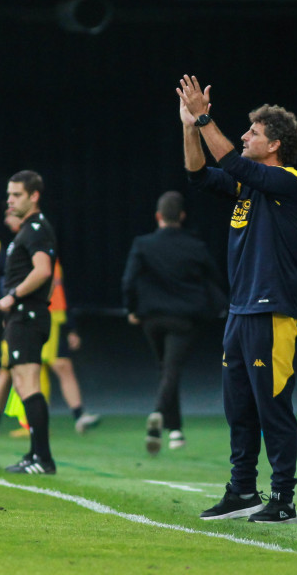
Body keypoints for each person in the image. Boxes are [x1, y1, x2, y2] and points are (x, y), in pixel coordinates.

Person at [178, 75, 297, 524]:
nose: (246, 135)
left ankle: (283, 499)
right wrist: (189, 125)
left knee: (273, 407)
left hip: (272, 312)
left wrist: (204, 117)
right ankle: (242, 491)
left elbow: (232, 160)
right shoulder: (248, 186)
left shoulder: (289, 182)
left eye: (253, 131)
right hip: (240, 311)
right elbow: (198, 175)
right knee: (239, 407)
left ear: (274, 145)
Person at [122, 190, 224, 455]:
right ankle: (158, 413)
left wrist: (132, 309)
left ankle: (176, 431)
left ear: (158, 216)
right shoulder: (196, 246)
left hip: (151, 320)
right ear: (182, 216)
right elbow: (214, 279)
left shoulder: (142, 244)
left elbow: (128, 281)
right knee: (172, 370)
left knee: (167, 369)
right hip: (184, 320)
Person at [0, 210, 100, 437]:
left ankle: (52, 420)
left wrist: (71, 325)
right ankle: (0, 420)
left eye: (11, 215)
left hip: (48, 316)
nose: (8, 219)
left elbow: (60, 292)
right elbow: (9, 285)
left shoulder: (41, 251)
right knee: (13, 371)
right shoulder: (15, 252)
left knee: (50, 367)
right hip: (23, 318)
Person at [0, 170, 57, 475]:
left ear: (33, 196)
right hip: (23, 316)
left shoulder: (36, 228)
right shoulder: (27, 229)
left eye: (16, 195)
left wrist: (13, 296)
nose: (10, 200)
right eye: (9, 194)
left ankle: (43, 459)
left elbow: (43, 270)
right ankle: (34, 454)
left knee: (29, 385)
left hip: (28, 315)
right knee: (22, 385)